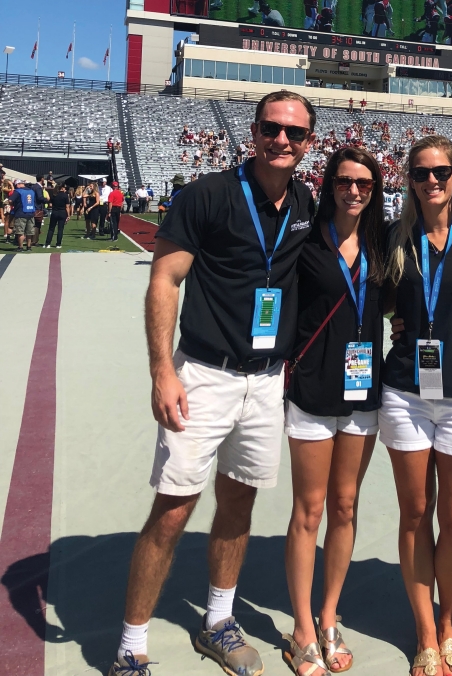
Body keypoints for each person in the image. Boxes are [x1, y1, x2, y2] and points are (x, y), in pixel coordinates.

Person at [107, 91, 317, 676]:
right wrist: (162, 370)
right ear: (253, 132)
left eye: (295, 133)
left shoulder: (304, 201)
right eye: (272, 129)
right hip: (203, 372)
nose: (282, 140)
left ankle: (218, 620)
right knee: (173, 509)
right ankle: (131, 643)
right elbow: (165, 281)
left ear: (309, 142)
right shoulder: (208, 194)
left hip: (266, 380)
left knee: (238, 503)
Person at [382, 135, 452, 676]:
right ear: (410, 180)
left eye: (442, 172)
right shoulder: (393, 236)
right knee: (416, 512)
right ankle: (427, 631)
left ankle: (450, 621)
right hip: (405, 394)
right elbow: (367, 297)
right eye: (421, 173)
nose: (432, 181)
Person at [283, 148, 386, 676]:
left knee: (345, 505)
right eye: (345, 181)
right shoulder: (307, 236)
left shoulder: (380, 240)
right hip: (313, 385)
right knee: (310, 508)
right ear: (330, 185)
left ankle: (328, 616)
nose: (354, 190)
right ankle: (302, 627)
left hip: (363, 390)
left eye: (364, 183)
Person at [9, 179, 40, 251]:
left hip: (21, 213)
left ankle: (20, 247)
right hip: (31, 213)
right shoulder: (31, 191)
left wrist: (13, 205)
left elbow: (10, 200)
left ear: (17, 184)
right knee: (29, 232)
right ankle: (29, 247)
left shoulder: (18, 191)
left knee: (20, 231)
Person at [44, 183, 71, 248]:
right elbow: (67, 206)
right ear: (62, 188)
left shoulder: (53, 194)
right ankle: (58, 244)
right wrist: (68, 215)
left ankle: (48, 243)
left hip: (55, 212)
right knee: (60, 229)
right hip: (62, 212)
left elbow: (50, 205)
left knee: (51, 228)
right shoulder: (65, 195)